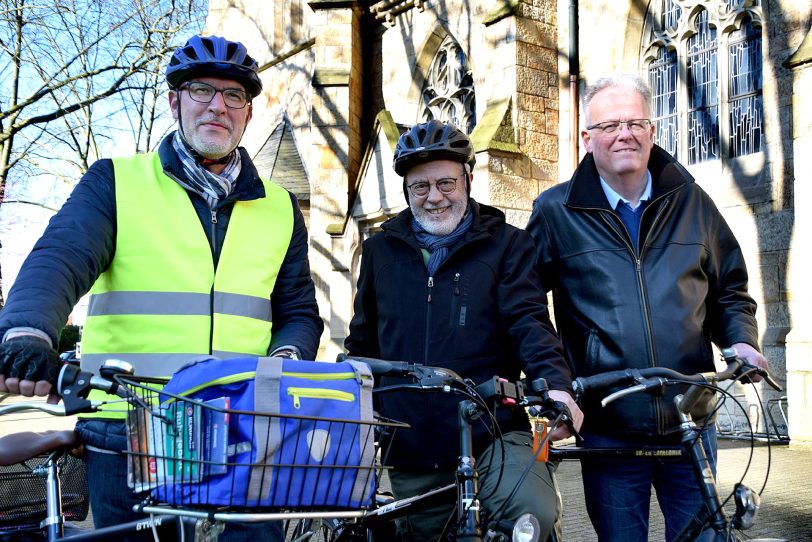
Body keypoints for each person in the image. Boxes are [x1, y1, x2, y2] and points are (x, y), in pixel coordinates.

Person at [0, 35, 323, 540]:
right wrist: (28, 331)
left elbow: (299, 310)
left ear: (248, 113)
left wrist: (287, 358)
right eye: (201, 90)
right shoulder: (117, 183)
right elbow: (58, 260)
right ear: (175, 102)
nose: (218, 105)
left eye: (234, 95)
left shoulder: (281, 208)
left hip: (244, 428)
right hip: (130, 428)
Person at [526, 73, 768, 542]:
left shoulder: (692, 201)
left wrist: (741, 339)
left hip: (690, 418)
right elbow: (527, 308)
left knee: (705, 537)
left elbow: (730, 290)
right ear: (587, 137)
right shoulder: (555, 211)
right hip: (610, 424)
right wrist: (553, 384)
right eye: (611, 124)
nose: (625, 134)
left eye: (635, 122)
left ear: (652, 131)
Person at [344, 119, 583, 541]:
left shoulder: (508, 245)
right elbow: (362, 343)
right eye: (421, 187)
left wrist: (557, 386)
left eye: (446, 183)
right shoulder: (380, 251)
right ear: (407, 192)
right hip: (411, 441)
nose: (434, 197)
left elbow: (530, 323)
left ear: (468, 179)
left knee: (532, 519)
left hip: (493, 429)